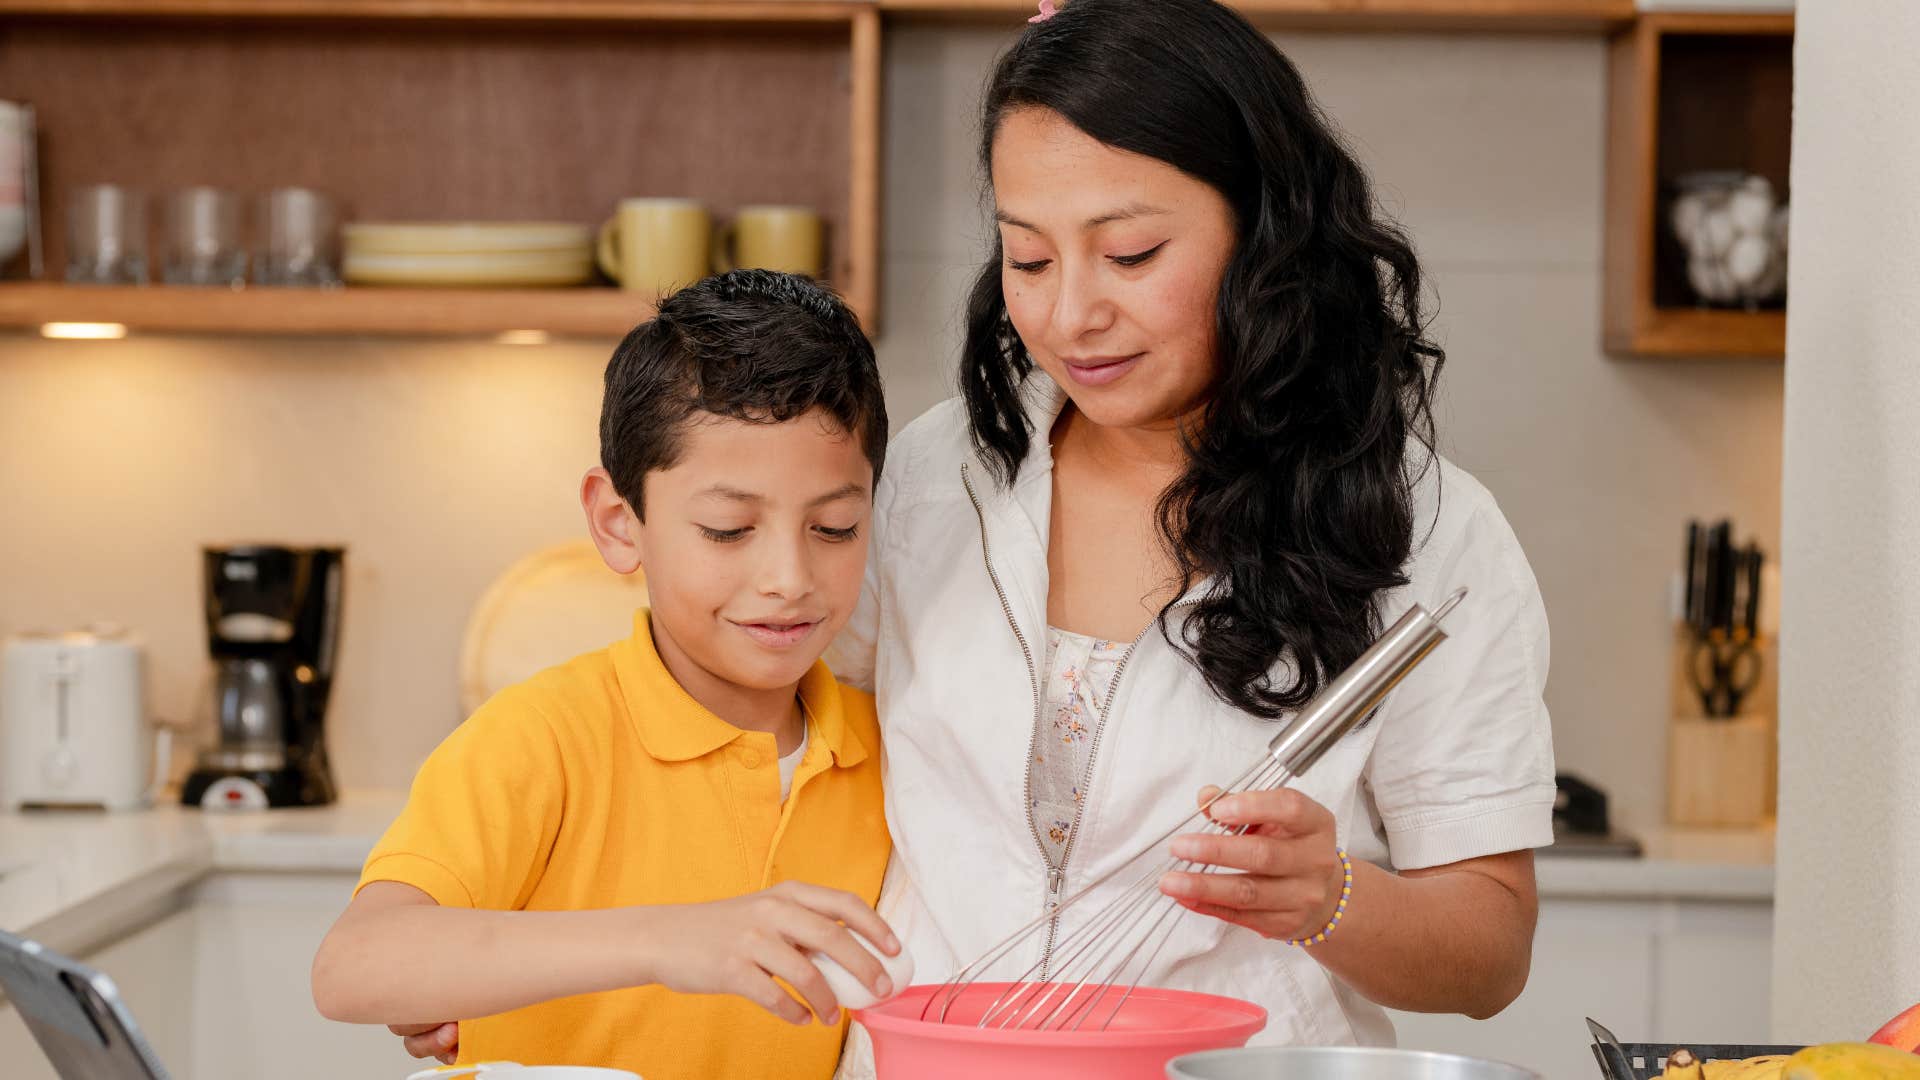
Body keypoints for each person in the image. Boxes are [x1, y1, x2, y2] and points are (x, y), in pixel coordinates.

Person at [825, 0, 1554, 1071]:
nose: (1072, 315)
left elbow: (1490, 952)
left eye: (1129, 253)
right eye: (1029, 261)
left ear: (1265, 231)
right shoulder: (933, 484)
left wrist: (1329, 897)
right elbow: (772, 763)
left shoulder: (1426, 530)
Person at [312, 269, 900, 1080]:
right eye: (729, 530)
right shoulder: (543, 737)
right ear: (620, 524)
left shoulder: (891, 752)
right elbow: (355, 966)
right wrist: (667, 938)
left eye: (835, 527)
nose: (789, 577)